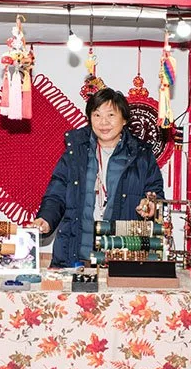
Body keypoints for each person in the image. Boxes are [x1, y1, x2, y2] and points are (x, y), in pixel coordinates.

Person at [31, 87, 165, 267]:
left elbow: (156, 196)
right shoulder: (75, 152)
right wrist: (45, 219)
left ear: (124, 119)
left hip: (122, 258)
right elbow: (57, 193)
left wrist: (150, 207)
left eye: (111, 115)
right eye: (97, 115)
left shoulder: (142, 156)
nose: (103, 122)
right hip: (75, 255)